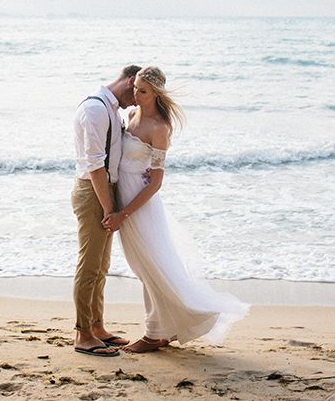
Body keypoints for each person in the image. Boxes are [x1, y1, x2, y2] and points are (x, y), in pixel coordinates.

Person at [102, 66, 248, 353]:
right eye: (135, 88)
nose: (136, 94)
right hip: (124, 200)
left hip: (139, 207)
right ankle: (164, 329)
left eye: (143, 91)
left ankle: (153, 334)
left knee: (151, 268)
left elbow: (155, 182)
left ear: (156, 94)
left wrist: (124, 213)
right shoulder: (130, 115)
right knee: (144, 268)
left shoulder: (160, 128)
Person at [72, 64, 141, 357]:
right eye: (137, 93)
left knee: (101, 266)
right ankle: (82, 334)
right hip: (93, 191)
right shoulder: (96, 109)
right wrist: (109, 207)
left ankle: (97, 327)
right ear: (129, 81)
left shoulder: (113, 109)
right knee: (89, 264)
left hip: (104, 189)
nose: (137, 101)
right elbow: (95, 165)